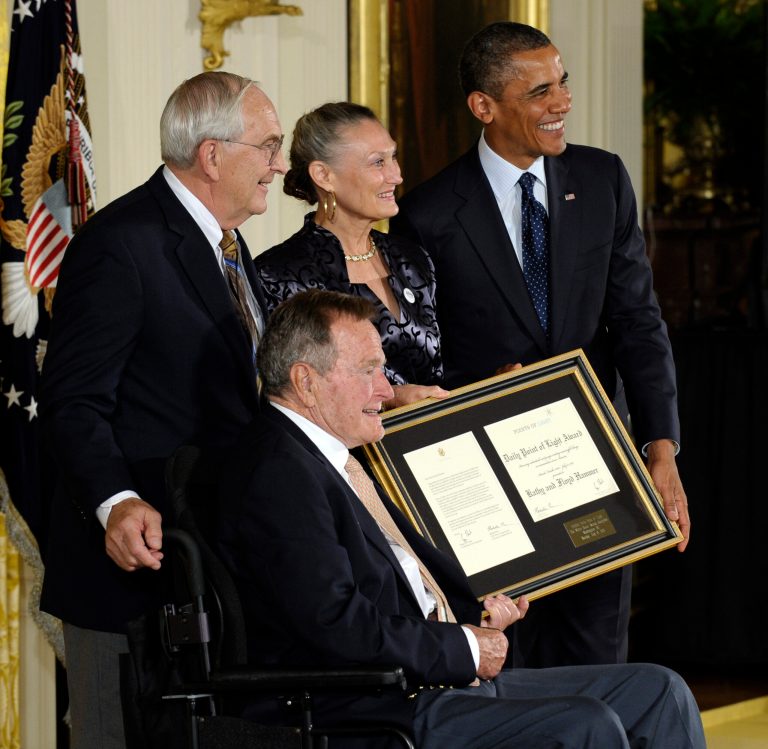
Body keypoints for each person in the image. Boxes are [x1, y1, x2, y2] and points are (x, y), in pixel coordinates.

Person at [213, 289, 705, 749]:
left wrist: (475, 616)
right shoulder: (277, 472)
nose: (386, 389)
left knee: (659, 690)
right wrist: (465, 648)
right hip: (370, 707)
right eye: (369, 371)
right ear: (306, 381)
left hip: (428, 682)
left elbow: (399, 585)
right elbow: (337, 625)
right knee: (586, 725)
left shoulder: (329, 456)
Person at [389, 21, 691, 669]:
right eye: (540, 90)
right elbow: (419, 360)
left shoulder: (603, 179)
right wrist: (478, 390)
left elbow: (639, 322)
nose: (562, 102)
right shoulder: (429, 214)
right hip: (487, 486)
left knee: (597, 665)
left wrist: (660, 448)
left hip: (595, 470)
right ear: (484, 106)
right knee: (509, 672)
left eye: (564, 82)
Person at [38, 71, 286, 749]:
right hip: (131, 581)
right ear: (213, 155)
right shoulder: (122, 244)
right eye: (268, 145)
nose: (281, 163)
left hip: (209, 572)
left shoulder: (229, 246)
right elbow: (73, 397)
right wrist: (114, 499)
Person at [255, 101, 447, 408]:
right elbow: (291, 397)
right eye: (377, 163)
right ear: (324, 175)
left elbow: (439, 373)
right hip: (341, 456)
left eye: (393, 157)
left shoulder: (411, 258)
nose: (396, 175)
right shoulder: (277, 274)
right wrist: (388, 400)